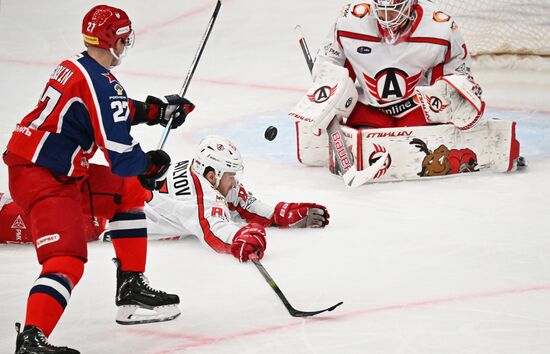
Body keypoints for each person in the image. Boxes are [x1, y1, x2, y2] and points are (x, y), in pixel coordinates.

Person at [3, 5, 194, 353]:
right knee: (66, 259)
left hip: (55, 168)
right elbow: (121, 156)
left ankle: (130, 287)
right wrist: (150, 165)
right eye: (124, 38)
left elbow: (107, 109)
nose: (126, 45)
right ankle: (31, 340)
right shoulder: (103, 85)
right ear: (114, 41)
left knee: (128, 192)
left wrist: (155, 111)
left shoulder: (76, 67)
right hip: (42, 177)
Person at [290, 0, 520, 183]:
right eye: (382, 9)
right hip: (369, 107)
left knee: (429, 143)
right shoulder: (350, 20)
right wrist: (328, 83)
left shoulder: (440, 26)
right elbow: (328, 60)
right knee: (362, 139)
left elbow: (458, 70)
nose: (387, 18)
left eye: (395, 10)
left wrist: (451, 92)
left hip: (416, 108)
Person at [142, 135, 330, 262]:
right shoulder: (203, 197)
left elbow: (243, 203)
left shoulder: (197, 170)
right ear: (211, 175)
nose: (234, 181)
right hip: (117, 221)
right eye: (230, 176)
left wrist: (278, 214)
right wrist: (237, 238)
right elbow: (214, 230)